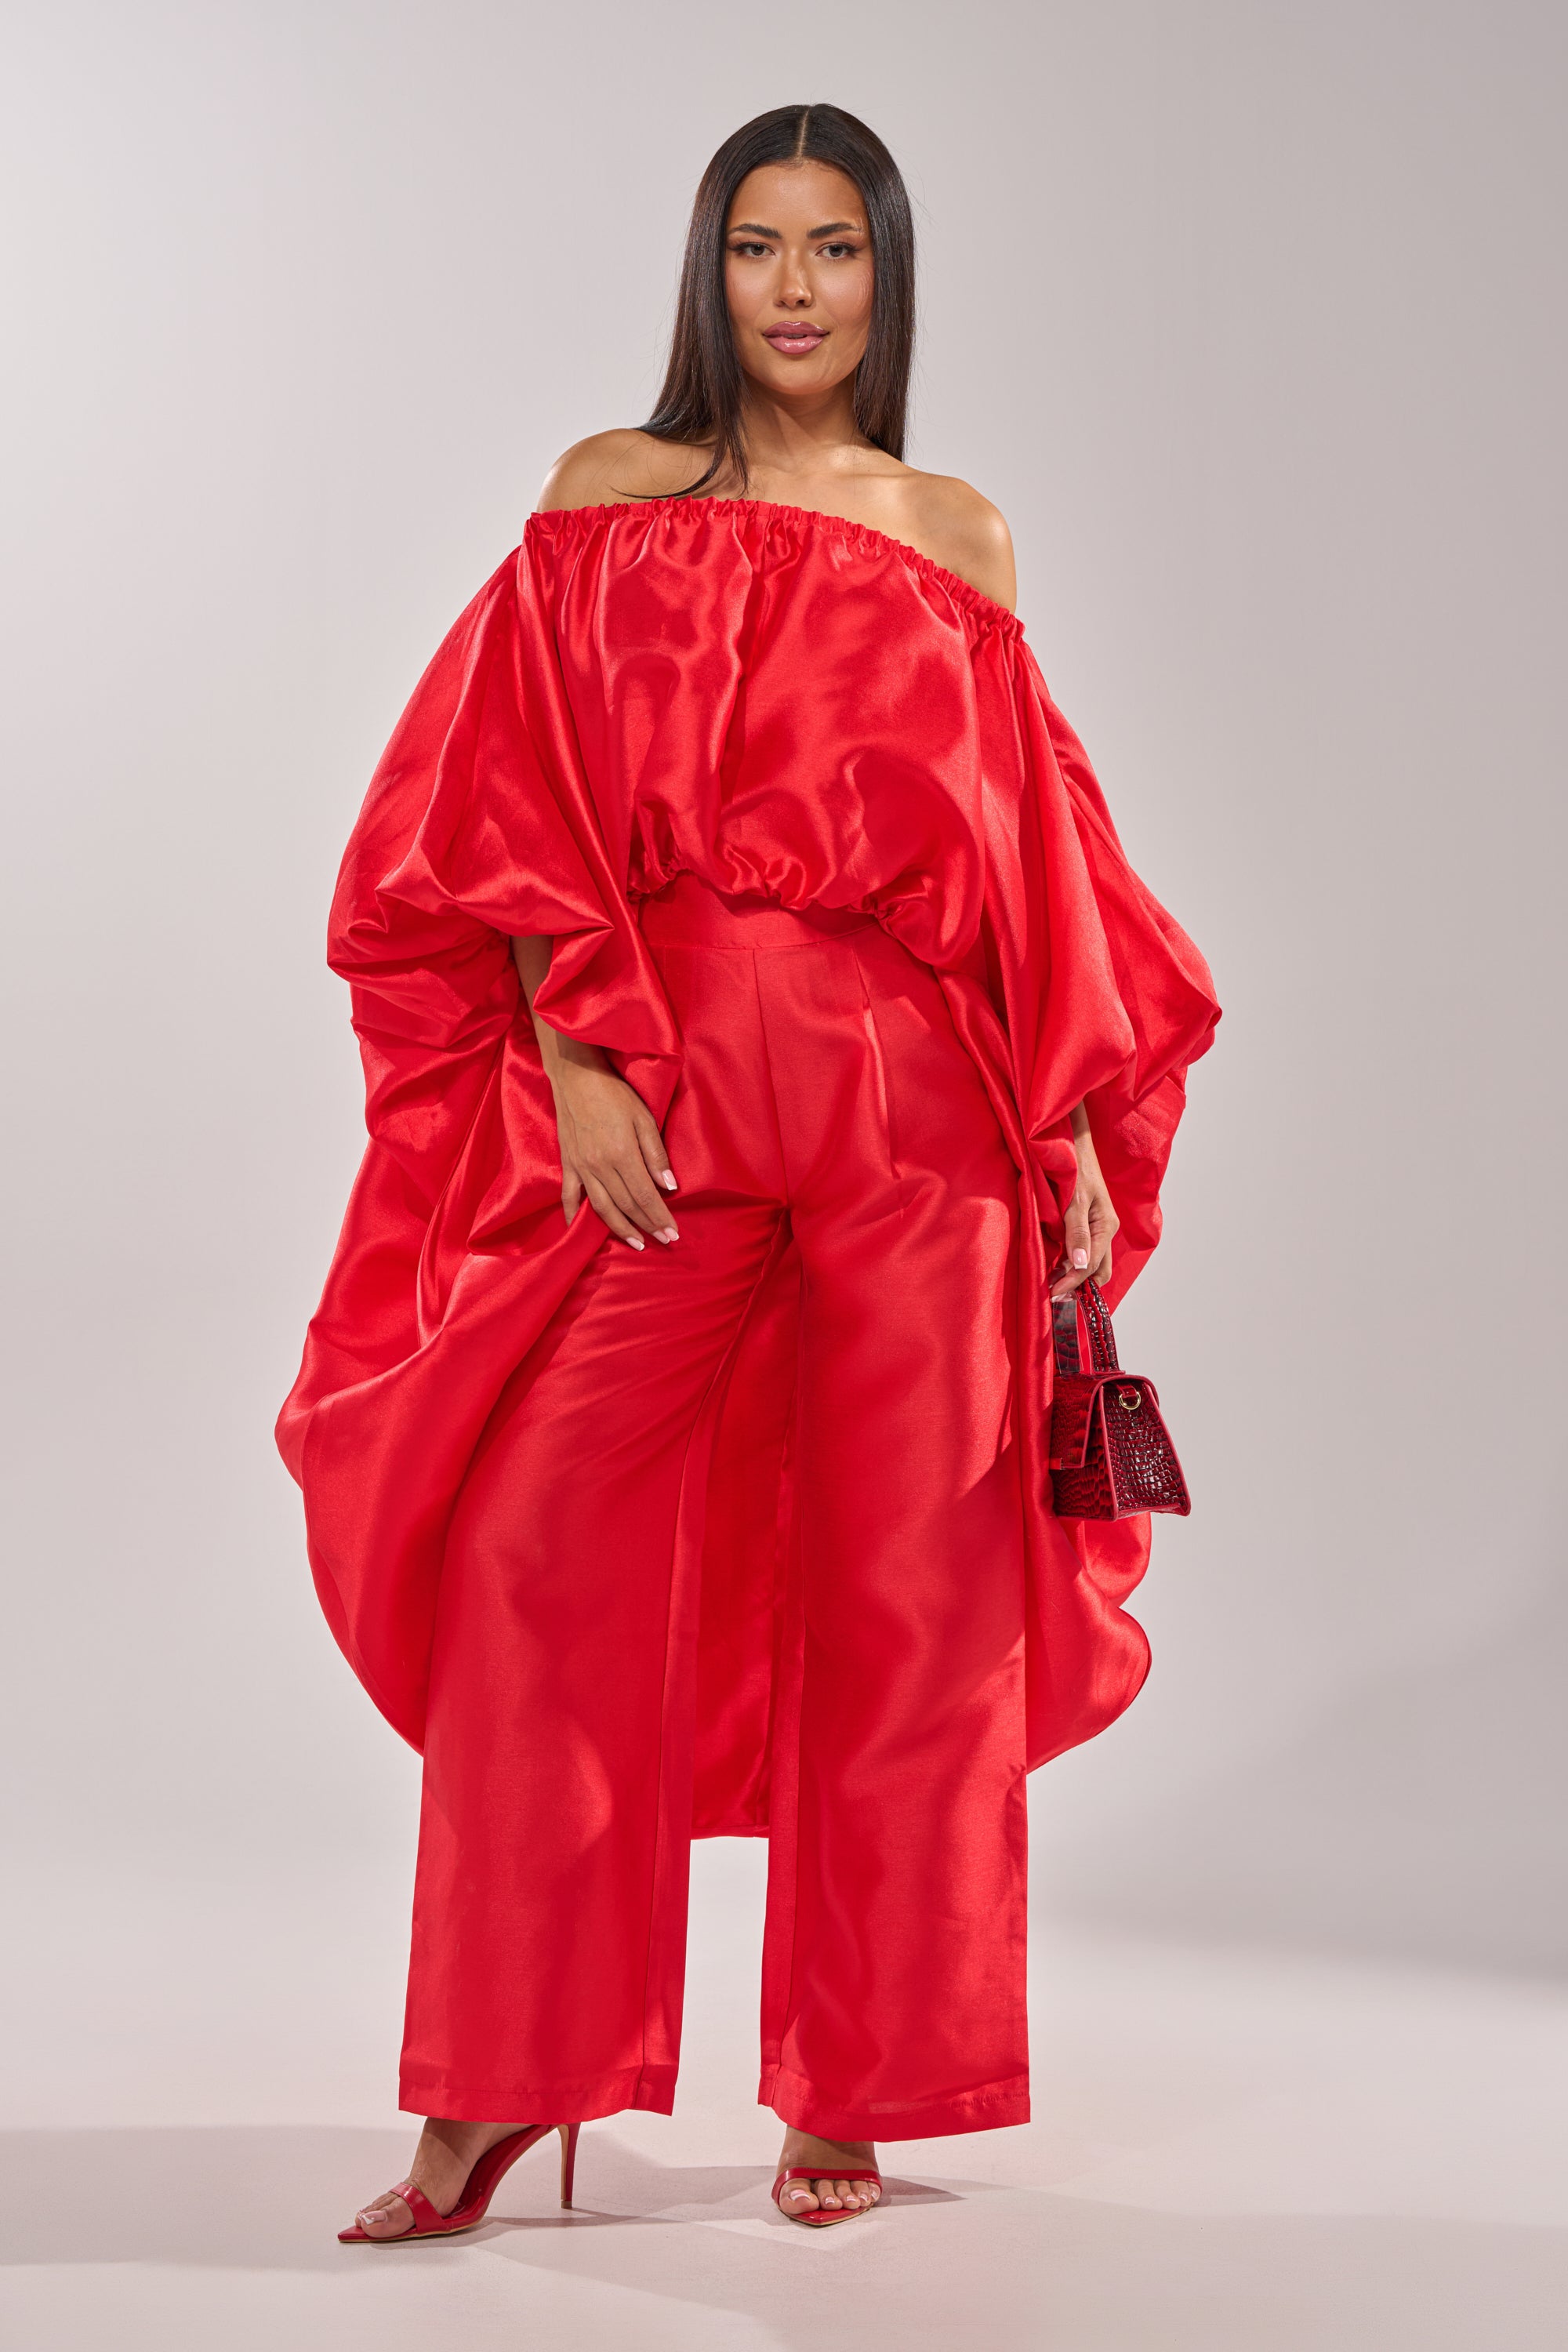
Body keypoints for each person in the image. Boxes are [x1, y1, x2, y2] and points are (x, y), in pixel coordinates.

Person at [277, 100, 1220, 2244]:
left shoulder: (957, 534)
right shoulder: (605, 501)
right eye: (759, 248)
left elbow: (1031, 868)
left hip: (924, 1119)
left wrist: (1064, 1117)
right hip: (672, 1097)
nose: (797, 289)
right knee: (535, 1553)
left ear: (887, 283)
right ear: (709, 277)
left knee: (907, 1606)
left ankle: (857, 2089)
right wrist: (568, 1051)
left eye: (839, 251)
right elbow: (498, 798)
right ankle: (497, 2090)